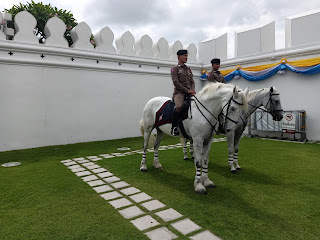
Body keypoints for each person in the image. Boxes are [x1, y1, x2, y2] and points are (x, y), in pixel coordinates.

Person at [170, 49, 196, 136]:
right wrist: (187, 90)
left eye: (187, 55)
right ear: (178, 57)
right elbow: (176, 83)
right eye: (184, 55)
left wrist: (192, 90)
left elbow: (192, 81)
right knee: (178, 107)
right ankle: (174, 128)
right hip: (179, 93)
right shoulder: (174, 69)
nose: (186, 57)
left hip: (190, 92)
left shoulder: (188, 69)